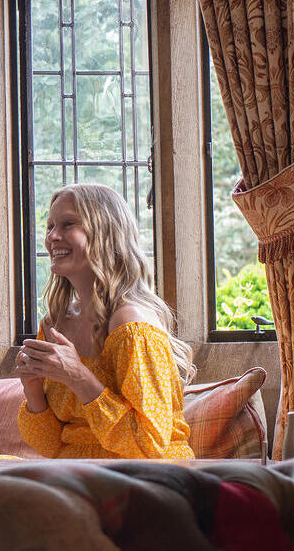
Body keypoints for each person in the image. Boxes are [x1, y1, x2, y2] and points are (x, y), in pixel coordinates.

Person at [16, 183, 197, 459]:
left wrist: (77, 376)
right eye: (50, 227)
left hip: (143, 480)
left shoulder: (133, 325)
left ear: (105, 232)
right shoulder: (54, 324)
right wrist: (32, 390)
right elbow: (52, 446)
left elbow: (149, 444)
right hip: (76, 476)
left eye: (67, 224)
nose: (52, 236)